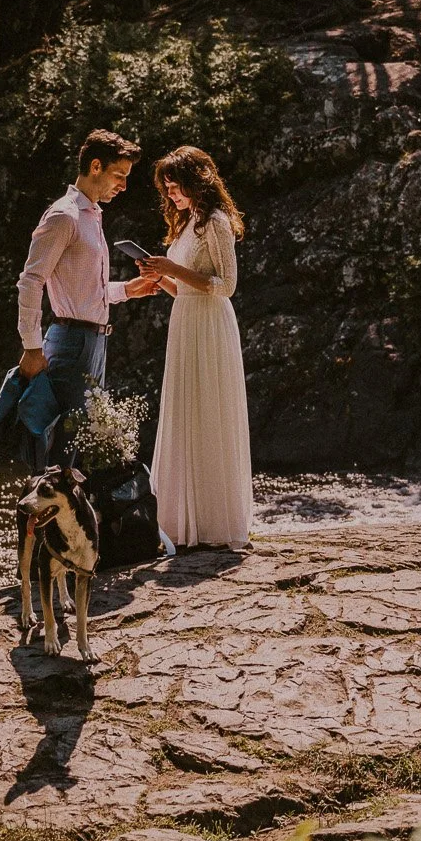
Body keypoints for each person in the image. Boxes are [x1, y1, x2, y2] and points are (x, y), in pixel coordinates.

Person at [17, 130, 161, 451]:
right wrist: (31, 346)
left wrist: (128, 290)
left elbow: (82, 290)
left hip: (94, 342)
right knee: (63, 447)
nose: (124, 186)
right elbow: (31, 280)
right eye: (119, 175)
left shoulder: (92, 215)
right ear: (96, 166)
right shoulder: (63, 216)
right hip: (70, 343)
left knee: (80, 447)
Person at [138, 146, 252, 549]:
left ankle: (214, 526)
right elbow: (185, 289)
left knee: (209, 414)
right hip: (186, 321)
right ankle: (184, 524)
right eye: (166, 188)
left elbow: (226, 286)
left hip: (210, 327)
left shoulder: (216, 222)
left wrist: (172, 269)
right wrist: (161, 278)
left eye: (175, 186)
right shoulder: (187, 224)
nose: (171, 195)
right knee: (187, 414)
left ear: (196, 182)